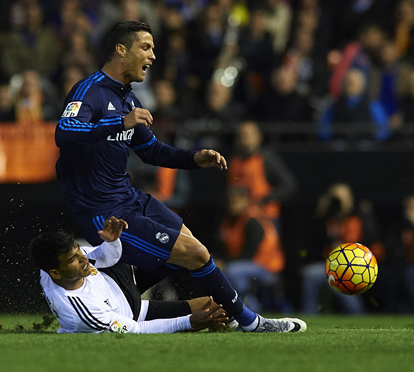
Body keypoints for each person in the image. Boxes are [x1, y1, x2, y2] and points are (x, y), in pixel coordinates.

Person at [55, 21, 305, 333]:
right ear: (121, 50)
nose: (153, 56)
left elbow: (151, 151)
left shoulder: (129, 99)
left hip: (131, 198)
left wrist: (193, 159)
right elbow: (64, 132)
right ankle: (252, 323)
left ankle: (121, 295)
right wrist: (120, 122)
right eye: (146, 47)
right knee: (197, 254)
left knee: (191, 246)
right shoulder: (89, 90)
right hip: (103, 211)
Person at [30, 216, 228, 334]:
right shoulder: (84, 314)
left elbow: (106, 258)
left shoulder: (53, 265)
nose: (82, 258)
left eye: (77, 251)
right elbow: (136, 330)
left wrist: (112, 242)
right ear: (55, 273)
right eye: (73, 258)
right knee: (216, 308)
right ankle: (241, 318)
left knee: (186, 250)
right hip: (133, 311)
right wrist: (190, 321)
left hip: (119, 278)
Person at [301, 182, 384, 315]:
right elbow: (311, 245)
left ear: (349, 198)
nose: (337, 202)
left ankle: (358, 315)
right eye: (334, 198)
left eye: (340, 198)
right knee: (311, 274)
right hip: (330, 264)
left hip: (358, 265)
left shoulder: (360, 216)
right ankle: (308, 316)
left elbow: (371, 242)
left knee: (339, 279)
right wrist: (320, 214)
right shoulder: (327, 218)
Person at [218, 185, 286, 312]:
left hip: (267, 266)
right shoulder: (230, 220)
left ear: (246, 201)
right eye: (231, 201)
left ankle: (247, 309)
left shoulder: (253, 220)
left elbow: (250, 253)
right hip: (247, 264)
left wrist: (225, 263)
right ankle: (243, 308)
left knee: (232, 271)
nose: (233, 204)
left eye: (237, 200)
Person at [226, 120, 297, 227]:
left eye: (249, 134)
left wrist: (264, 199)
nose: (246, 138)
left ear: (259, 137)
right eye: (242, 135)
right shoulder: (233, 162)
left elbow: (289, 185)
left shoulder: (267, 159)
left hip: (264, 217)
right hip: (239, 218)